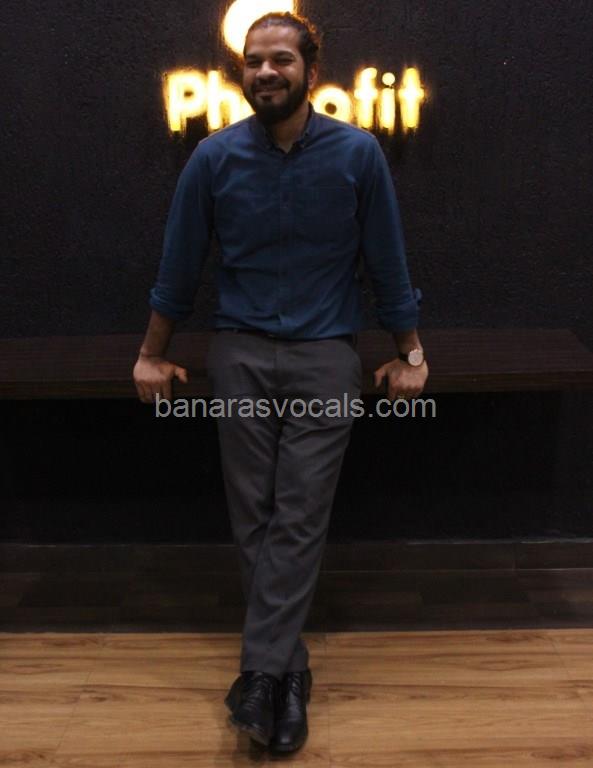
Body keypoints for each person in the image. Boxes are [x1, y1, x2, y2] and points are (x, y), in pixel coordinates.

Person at [133, 11, 428, 754]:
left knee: (298, 511)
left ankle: (259, 676)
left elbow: (387, 262)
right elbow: (179, 267)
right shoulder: (214, 158)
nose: (265, 71)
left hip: (326, 354)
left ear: (310, 72)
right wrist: (150, 353)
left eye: (281, 60)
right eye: (254, 60)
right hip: (239, 352)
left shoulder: (358, 154)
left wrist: (410, 351)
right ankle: (287, 672)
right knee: (254, 514)